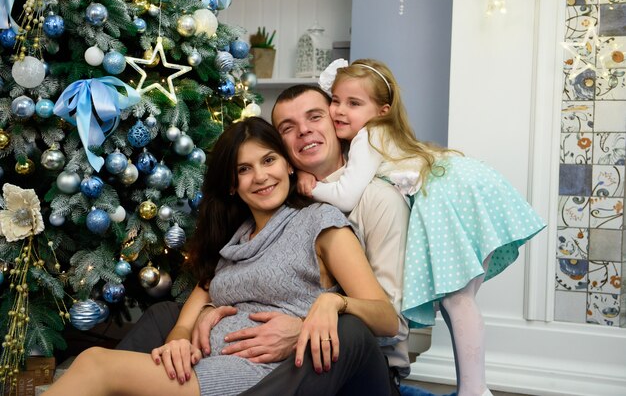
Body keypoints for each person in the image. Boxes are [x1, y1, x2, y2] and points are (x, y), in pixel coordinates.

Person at [43, 117, 398, 396]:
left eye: (269, 160)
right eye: (244, 169)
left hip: (253, 375)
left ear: (289, 165)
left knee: (95, 365)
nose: (261, 176)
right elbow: (204, 291)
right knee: (159, 319)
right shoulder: (238, 236)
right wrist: (182, 333)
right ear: (232, 184)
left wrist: (334, 304)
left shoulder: (319, 222)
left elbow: (385, 319)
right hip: (205, 360)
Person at [116, 85, 411, 395]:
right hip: (257, 361)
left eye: (315, 117)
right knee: (162, 317)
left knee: (348, 328)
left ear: (336, 124)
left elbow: (389, 323)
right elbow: (223, 281)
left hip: (354, 362)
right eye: (288, 127)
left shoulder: (375, 201)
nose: (304, 131)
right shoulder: (263, 212)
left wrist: (310, 323)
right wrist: (198, 320)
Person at [297, 58, 547, 396]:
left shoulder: (368, 136)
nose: (340, 111)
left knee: (458, 302)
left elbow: (346, 194)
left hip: (448, 195)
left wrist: (312, 188)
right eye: (336, 100)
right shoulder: (381, 133)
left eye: (354, 103)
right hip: (460, 188)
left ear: (382, 110)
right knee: (459, 302)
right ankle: (474, 388)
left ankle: (475, 390)